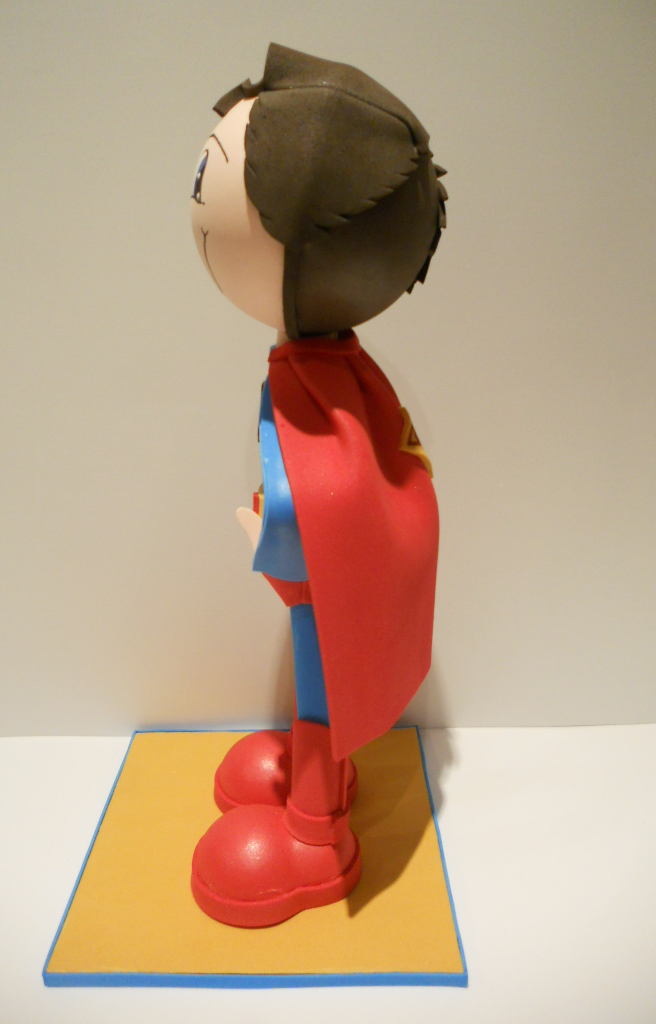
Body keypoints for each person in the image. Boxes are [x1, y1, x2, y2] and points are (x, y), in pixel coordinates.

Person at [189, 43, 447, 927]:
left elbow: (323, 500)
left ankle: (314, 832)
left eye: (210, 176)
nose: (198, 201)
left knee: (322, 687)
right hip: (320, 586)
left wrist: (267, 531)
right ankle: (318, 774)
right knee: (316, 692)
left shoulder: (326, 384)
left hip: (322, 593)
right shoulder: (327, 372)